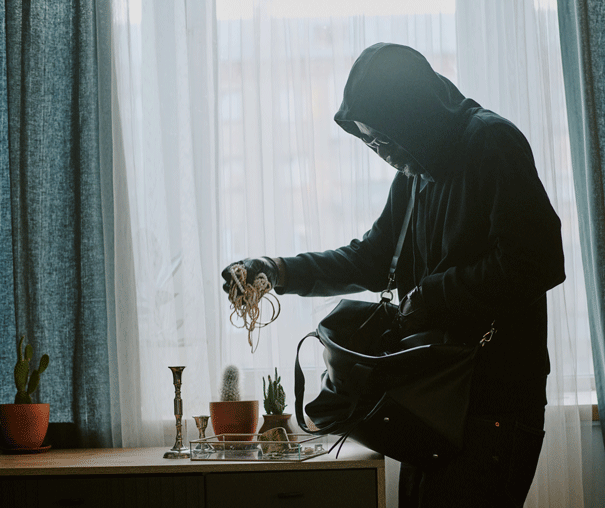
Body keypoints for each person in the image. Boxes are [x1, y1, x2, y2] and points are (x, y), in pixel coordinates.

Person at [222, 42, 565, 508]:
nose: (381, 153)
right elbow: (370, 259)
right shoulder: (416, 168)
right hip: (431, 400)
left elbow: (538, 260)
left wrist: (430, 297)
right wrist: (276, 270)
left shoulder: (491, 143)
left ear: (413, 115)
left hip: (494, 404)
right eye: (369, 142)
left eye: (384, 138)